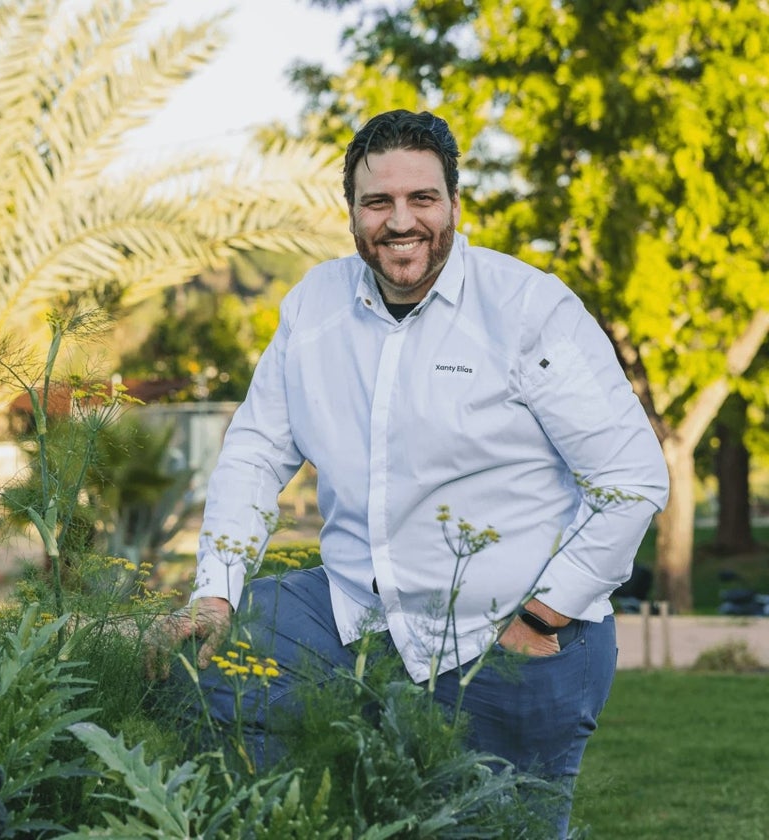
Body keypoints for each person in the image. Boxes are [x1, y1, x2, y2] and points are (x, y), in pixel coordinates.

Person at [145, 109, 669, 836]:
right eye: (378, 202)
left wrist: (540, 617)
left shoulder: (527, 309)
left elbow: (632, 479)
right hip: (353, 617)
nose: (401, 221)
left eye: (422, 198)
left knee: (500, 828)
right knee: (199, 674)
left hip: (517, 638)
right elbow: (256, 451)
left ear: (455, 204)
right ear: (352, 212)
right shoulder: (313, 309)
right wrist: (215, 593)